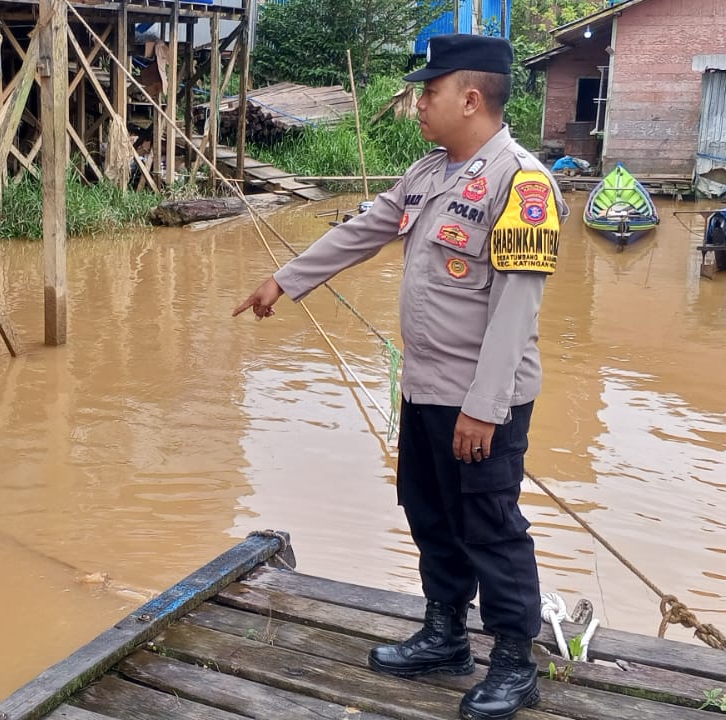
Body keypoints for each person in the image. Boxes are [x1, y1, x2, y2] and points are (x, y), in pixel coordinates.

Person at [233, 34, 567, 720]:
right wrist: (284, 280)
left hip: (481, 400)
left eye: (429, 92)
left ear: (469, 98)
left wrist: (483, 406)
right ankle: (445, 636)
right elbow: (362, 230)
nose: (417, 105)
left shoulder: (520, 182)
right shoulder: (428, 172)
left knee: (491, 525)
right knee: (428, 513)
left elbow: (514, 308)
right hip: (422, 389)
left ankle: (511, 661)